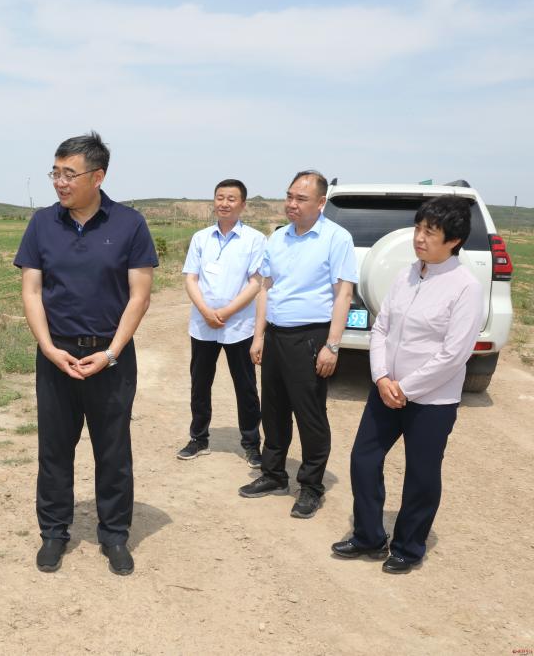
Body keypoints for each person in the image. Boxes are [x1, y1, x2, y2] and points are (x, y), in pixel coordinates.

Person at [14, 131, 157, 576]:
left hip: (110, 359)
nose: (60, 182)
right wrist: (48, 348)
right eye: (55, 173)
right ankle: (54, 532)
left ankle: (114, 535)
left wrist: (112, 353)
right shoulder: (42, 223)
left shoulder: (129, 224)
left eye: (69, 174)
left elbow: (139, 296)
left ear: (98, 177)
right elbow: (31, 291)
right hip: (56, 357)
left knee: (113, 450)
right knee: (54, 450)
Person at [332, 196, 481, 573]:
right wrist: (381, 377)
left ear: (454, 240)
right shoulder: (406, 275)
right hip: (386, 389)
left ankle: (408, 547)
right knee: (363, 459)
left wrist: (406, 388)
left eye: (430, 231)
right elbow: (382, 327)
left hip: (432, 401)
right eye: (418, 228)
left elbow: (453, 354)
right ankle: (368, 535)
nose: (419, 237)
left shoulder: (465, 287)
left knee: (421, 474)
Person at [241, 170, 357, 519]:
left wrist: (332, 346)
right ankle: (274, 474)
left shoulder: (336, 238)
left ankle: (310, 486)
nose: (292, 203)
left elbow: (343, 294)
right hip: (276, 336)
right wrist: (259, 336)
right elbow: (266, 288)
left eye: (301, 198)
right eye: (289, 196)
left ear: (321, 202)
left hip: (310, 337)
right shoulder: (278, 238)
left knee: (309, 414)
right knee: (273, 410)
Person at [177, 178, 265, 467]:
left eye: (231, 199)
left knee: (246, 387)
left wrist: (226, 312)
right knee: (200, 384)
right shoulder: (201, 238)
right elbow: (191, 278)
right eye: (220, 197)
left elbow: (256, 283)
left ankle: (251, 443)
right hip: (202, 325)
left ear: (243, 204)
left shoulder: (254, 239)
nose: (224, 203)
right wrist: (205, 311)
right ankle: (198, 438)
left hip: (238, 327)